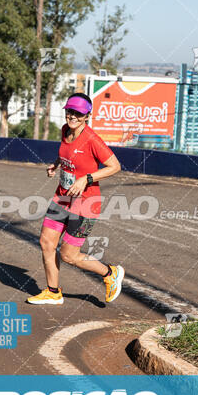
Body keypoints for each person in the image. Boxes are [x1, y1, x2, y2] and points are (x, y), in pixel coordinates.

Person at [27, 93, 124, 305]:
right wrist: (56, 164)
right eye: (70, 111)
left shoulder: (92, 140)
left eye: (78, 113)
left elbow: (115, 166)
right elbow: (68, 154)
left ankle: (110, 273)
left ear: (87, 115)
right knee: (46, 242)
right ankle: (53, 292)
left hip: (86, 203)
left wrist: (86, 179)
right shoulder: (65, 130)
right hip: (62, 197)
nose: (72, 116)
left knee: (69, 255)